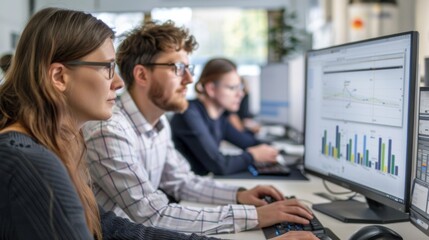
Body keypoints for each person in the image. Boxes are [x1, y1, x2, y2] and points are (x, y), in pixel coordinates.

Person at [0, 7, 242, 240]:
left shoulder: (60, 145)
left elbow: (109, 226)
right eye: (107, 67)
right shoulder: (31, 163)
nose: (118, 82)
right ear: (59, 77)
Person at [83, 20, 316, 237]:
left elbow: (183, 181)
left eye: (189, 68)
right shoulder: (110, 130)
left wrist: (239, 195)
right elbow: (153, 214)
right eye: (177, 68)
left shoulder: (158, 122)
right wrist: (253, 216)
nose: (189, 79)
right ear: (142, 74)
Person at [170, 58, 279, 175]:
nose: (240, 94)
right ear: (211, 89)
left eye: (240, 87)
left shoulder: (220, 118)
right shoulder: (189, 114)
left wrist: (273, 148)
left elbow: (247, 142)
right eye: (232, 88)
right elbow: (219, 165)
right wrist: (253, 155)